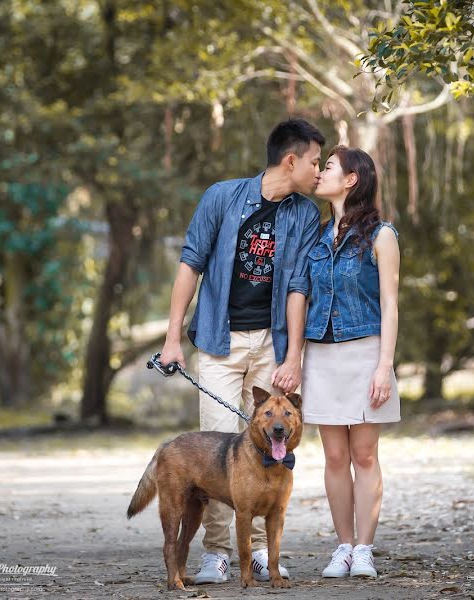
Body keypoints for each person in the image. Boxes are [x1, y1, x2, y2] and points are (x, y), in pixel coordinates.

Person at [158, 118, 324, 585]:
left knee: (272, 447)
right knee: (215, 447)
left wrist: (292, 357)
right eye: (315, 161)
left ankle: (260, 556)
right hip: (218, 341)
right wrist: (173, 338)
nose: (318, 170)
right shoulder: (222, 197)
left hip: (272, 341)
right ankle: (216, 554)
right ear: (290, 160)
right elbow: (191, 264)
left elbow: (297, 286)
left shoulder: (305, 214)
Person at [301, 146, 401, 579]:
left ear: (351, 179)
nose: (319, 174)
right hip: (320, 353)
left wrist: (384, 366)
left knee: (363, 455)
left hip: (365, 351)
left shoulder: (382, 235)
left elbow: (391, 305)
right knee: (335, 457)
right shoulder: (317, 237)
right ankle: (342, 546)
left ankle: (364, 549)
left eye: (327, 168)